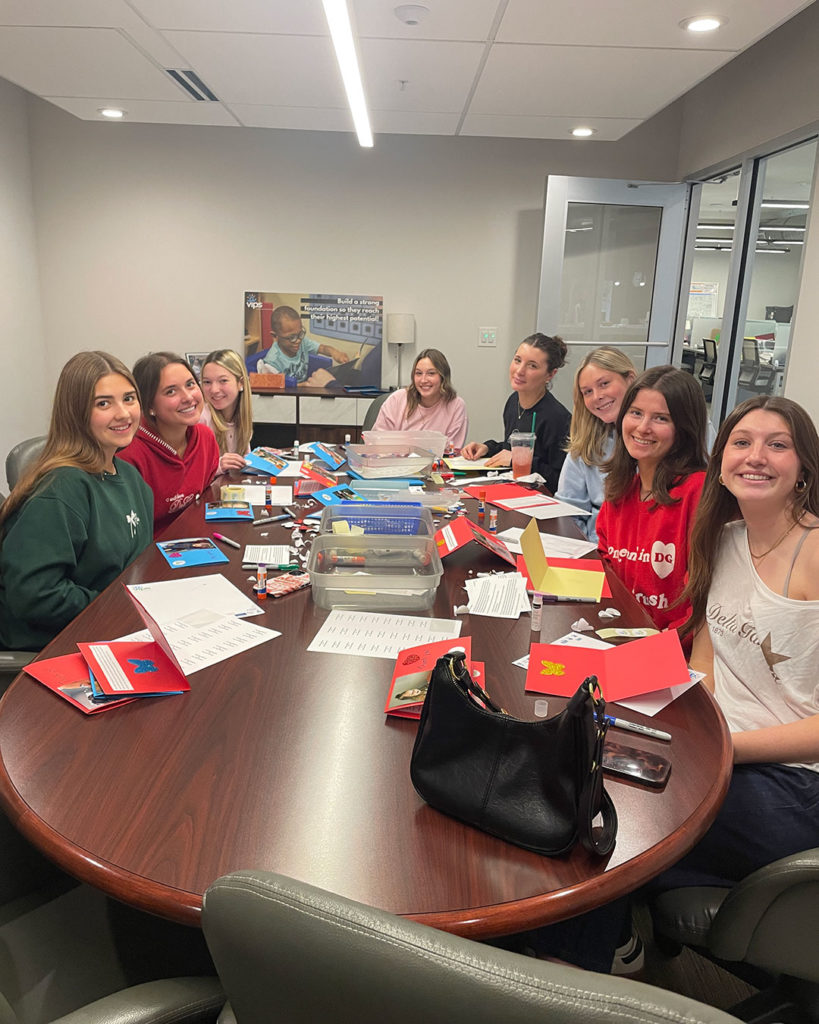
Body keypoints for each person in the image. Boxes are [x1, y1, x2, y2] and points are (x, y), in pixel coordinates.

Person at [660, 395, 819, 889]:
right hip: (720, 749)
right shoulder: (725, 538)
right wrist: (694, 729)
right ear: (721, 463)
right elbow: (707, 655)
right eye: (741, 442)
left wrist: (722, 748)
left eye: (778, 445)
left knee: (628, 810)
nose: (755, 456)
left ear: (803, 470)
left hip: (795, 780)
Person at [0, 351, 153, 651]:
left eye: (129, 398)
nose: (123, 413)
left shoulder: (130, 477)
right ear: (75, 412)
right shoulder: (61, 489)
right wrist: (115, 607)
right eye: (103, 403)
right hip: (55, 644)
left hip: (113, 623)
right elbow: (35, 595)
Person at [596, 365, 707, 634]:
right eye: (636, 413)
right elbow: (606, 568)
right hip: (622, 635)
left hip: (677, 653)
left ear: (684, 429)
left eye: (660, 418)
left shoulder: (698, 491)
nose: (643, 427)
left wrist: (658, 650)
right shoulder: (622, 489)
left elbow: (706, 602)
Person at [119, 352, 219, 535]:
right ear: (149, 405)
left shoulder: (205, 438)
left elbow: (202, 505)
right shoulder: (128, 456)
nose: (188, 397)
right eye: (171, 391)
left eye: (190, 384)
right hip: (149, 555)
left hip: (196, 543)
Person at [461, 333, 570, 492]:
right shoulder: (513, 401)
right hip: (511, 491)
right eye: (518, 360)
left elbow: (561, 481)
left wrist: (518, 460)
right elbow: (512, 448)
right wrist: (488, 448)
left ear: (550, 374)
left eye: (532, 366)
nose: (519, 371)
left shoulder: (557, 418)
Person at [555, 347, 636, 542]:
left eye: (604, 384)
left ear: (630, 379)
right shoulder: (587, 443)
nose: (597, 396)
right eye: (588, 392)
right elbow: (568, 513)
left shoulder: (662, 434)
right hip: (598, 549)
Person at [372, 348, 468, 448]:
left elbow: (452, 452)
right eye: (418, 373)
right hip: (394, 462)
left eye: (431, 373)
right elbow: (377, 442)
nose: (423, 380)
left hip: (436, 463)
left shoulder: (456, 406)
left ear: (442, 377)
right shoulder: (397, 400)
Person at [257, 305, 349, 382]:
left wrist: (335, 353)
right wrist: (303, 386)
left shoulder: (303, 342)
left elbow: (322, 348)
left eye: (300, 333)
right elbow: (277, 387)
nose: (298, 340)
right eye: (292, 337)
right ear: (275, 336)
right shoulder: (273, 361)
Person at [200, 348, 253, 472]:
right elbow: (191, 474)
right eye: (207, 382)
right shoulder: (201, 419)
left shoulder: (241, 418)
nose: (214, 390)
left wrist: (261, 457)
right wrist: (219, 466)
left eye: (223, 381)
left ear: (241, 383)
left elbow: (244, 463)